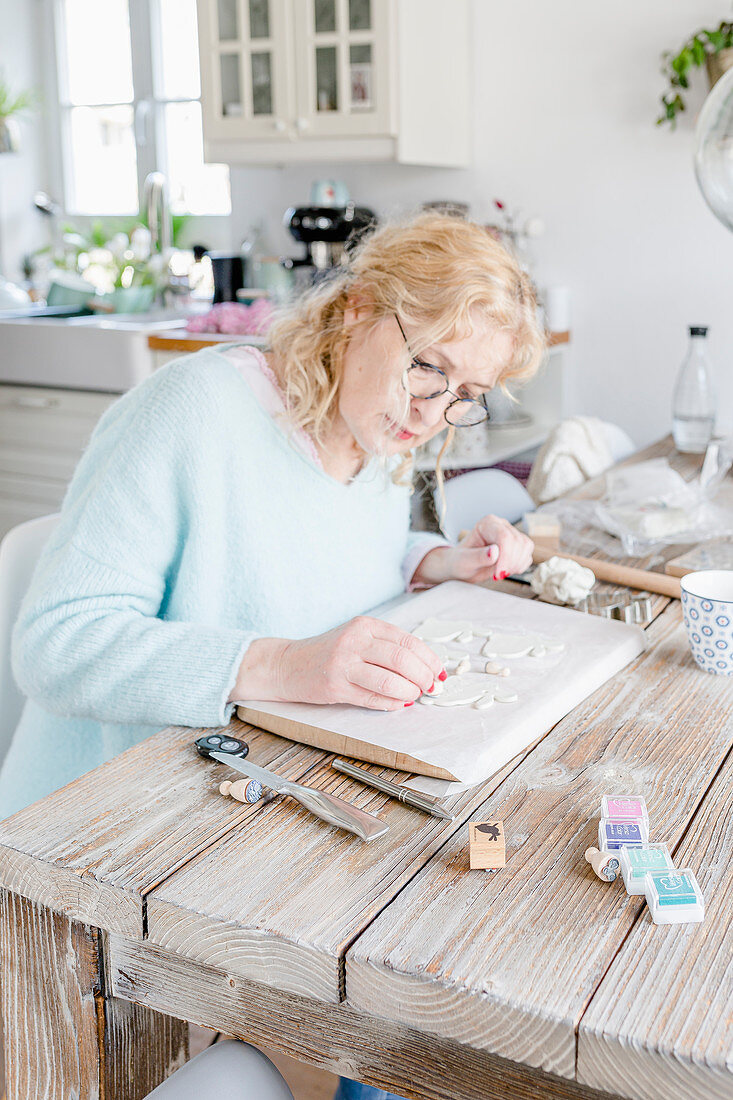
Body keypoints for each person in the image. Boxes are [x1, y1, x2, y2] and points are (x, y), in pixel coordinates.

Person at [0, 212, 545, 1100]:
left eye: (464, 391)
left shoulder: (375, 432)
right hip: (90, 852)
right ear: (356, 310)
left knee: (444, 981)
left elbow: (323, 568)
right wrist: (284, 664)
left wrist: (430, 562)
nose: (433, 409)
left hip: (243, 808)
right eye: (427, 364)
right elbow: (57, 645)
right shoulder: (194, 413)